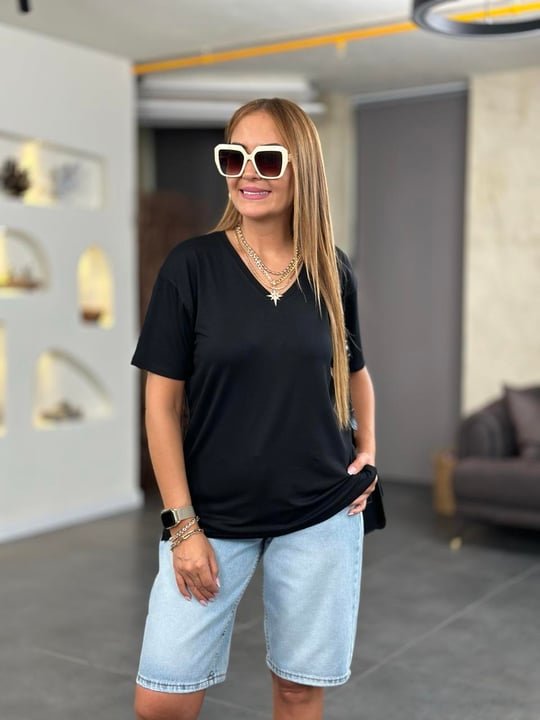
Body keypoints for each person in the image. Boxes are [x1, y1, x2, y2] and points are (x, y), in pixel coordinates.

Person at [131, 97, 377, 720]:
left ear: (302, 170)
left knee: (298, 690)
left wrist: (368, 452)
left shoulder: (332, 270)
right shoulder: (191, 266)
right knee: (161, 700)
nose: (248, 173)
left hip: (320, 510)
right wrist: (182, 526)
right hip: (211, 515)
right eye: (233, 157)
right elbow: (160, 406)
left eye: (267, 159)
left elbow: (355, 372)